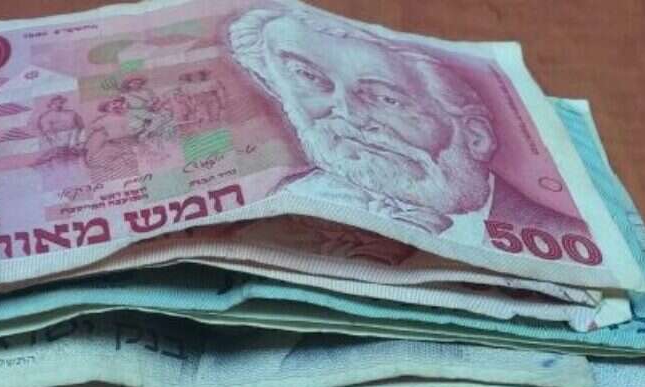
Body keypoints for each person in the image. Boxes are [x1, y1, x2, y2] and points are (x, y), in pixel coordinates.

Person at [228, 8, 590, 236]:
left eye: (387, 99)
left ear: (475, 136)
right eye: (308, 77)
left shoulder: (557, 233)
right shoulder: (267, 210)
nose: (349, 116)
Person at [34, 95, 84, 164]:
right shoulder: (46, 117)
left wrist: (76, 142)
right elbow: (48, 132)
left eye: (61, 103)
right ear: (50, 105)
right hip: (56, 141)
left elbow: (81, 127)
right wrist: (58, 143)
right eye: (55, 103)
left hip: (73, 139)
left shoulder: (72, 113)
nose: (58, 105)